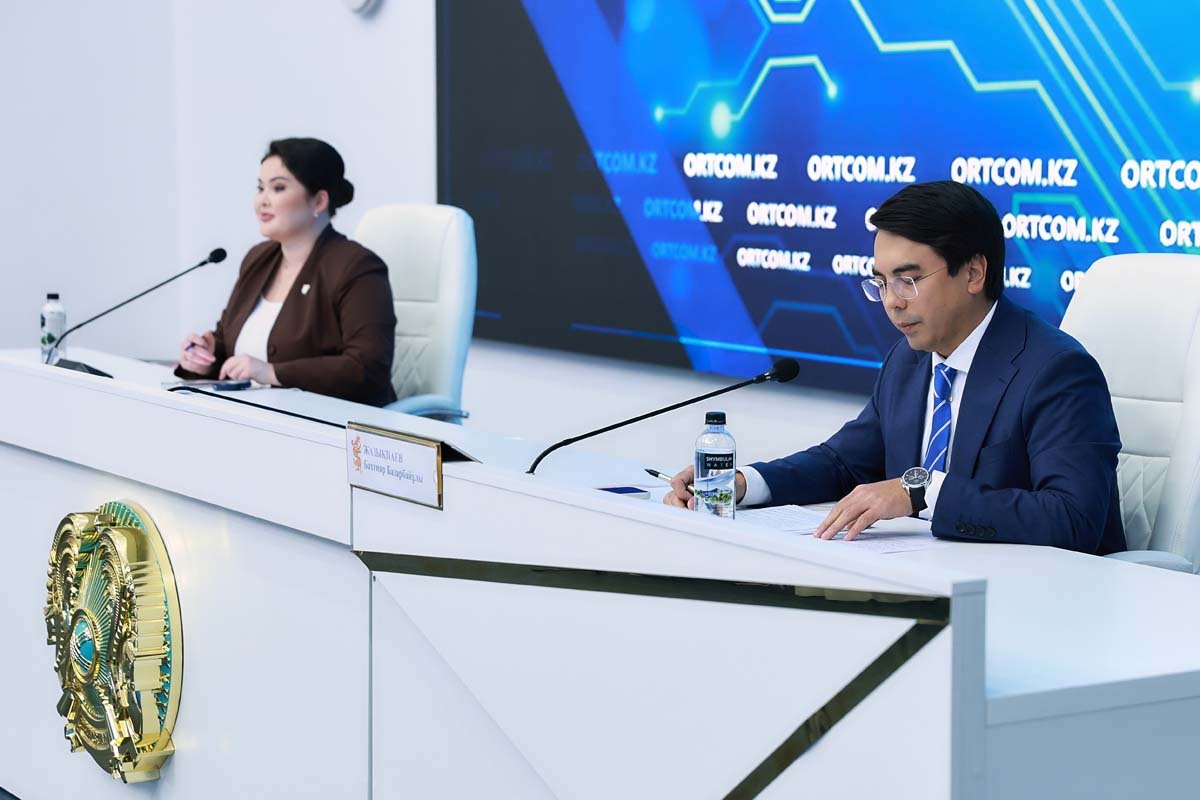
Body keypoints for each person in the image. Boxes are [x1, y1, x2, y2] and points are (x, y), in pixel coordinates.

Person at [665, 181, 1126, 555]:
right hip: (926, 577)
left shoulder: (1055, 370)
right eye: (881, 283)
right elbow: (844, 462)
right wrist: (739, 483)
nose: (892, 301)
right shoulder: (909, 359)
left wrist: (920, 492)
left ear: (973, 273)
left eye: (908, 280)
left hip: (1038, 601)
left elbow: (1072, 519)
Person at [176, 137, 397, 406]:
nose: (262, 201)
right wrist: (204, 359)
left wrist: (272, 372)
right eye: (260, 188)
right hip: (253, 417)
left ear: (319, 201)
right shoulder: (258, 259)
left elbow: (367, 369)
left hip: (327, 424)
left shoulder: (357, 267)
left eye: (278, 188)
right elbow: (229, 345)